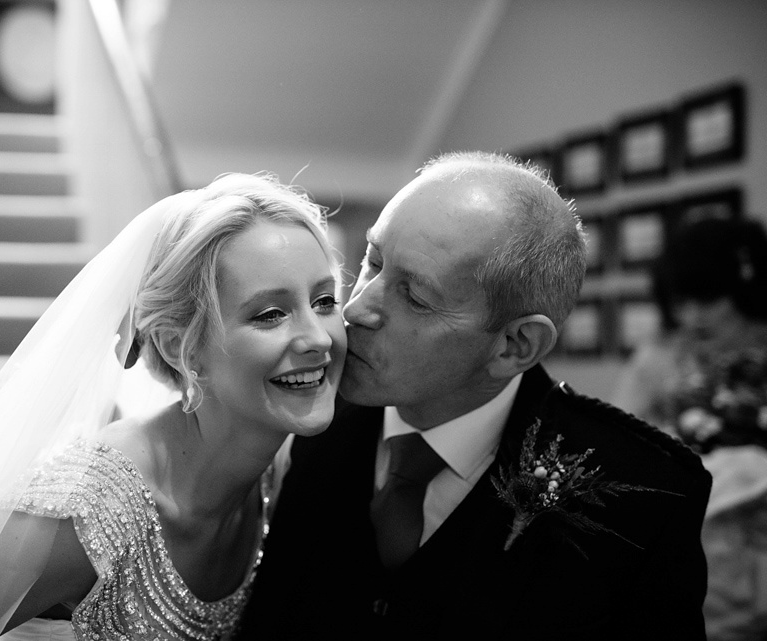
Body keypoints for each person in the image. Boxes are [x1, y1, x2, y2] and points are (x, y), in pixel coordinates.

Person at [0, 172, 347, 641]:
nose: (317, 338)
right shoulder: (88, 507)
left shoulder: (279, 473)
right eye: (271, 313)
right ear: (180, 348)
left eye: (324, 302)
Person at [238, 151, 712, 640]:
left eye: (415, 297)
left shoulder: (647, 497)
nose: (357, 308)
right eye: (372, 261)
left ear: (514, 345)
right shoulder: (299, 410)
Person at [612, 216, 767, 641]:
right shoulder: (661, 357)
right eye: (683, 302)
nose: (694, 316)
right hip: (695, 554)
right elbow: (622, 445)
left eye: (709, 299)